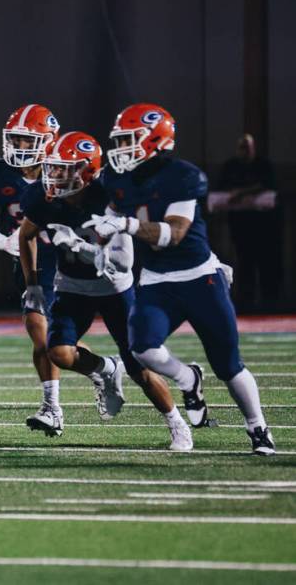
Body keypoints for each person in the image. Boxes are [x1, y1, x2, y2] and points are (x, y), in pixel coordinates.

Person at [93, 103, 275, 455]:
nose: (123, 148)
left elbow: (173, 235)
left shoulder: (182, 176)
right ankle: (188, 378)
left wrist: (126, 225)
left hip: (198, 279)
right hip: (157, 280)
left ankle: (258, 428)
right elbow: (110, 219)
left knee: (228, 364)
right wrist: (95, 237)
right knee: (142, 347)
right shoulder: (117, 179)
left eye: (131, 139)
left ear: (156, 140)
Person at [18, 132, 192, 450]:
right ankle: (105, 368)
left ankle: (177, 423)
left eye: (64, 169)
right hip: (70, 286)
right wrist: (32, 282)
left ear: (87, 171)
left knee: (140, 368)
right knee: (57, 351)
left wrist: (79, 246)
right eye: (53, 167)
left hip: (114, 288)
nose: (54, 175)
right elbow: (26, 234)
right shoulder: (43, 199)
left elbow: (123, 262)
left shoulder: (111, 197)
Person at [0, 105, 101, 432]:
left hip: (67, 260)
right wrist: (6, 243)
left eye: (25, 140)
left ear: (49, 141)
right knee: (45, 336)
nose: (18, 147)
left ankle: (53, 406)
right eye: (14, 140)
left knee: (45, 333)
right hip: (31, 260)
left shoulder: (64, 168)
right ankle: (101, 370)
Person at [216, 134, 280, 311]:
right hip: (240, 225)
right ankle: (246, 302)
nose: (245, 151)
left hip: (264, 225)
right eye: (242, 147)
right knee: (244, 263)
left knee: (266, 262)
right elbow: (220, 189)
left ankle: (270, 302)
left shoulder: (263, 165)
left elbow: (269, 185)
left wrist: (242, 193)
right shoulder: (231, 166)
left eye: (248, 147)